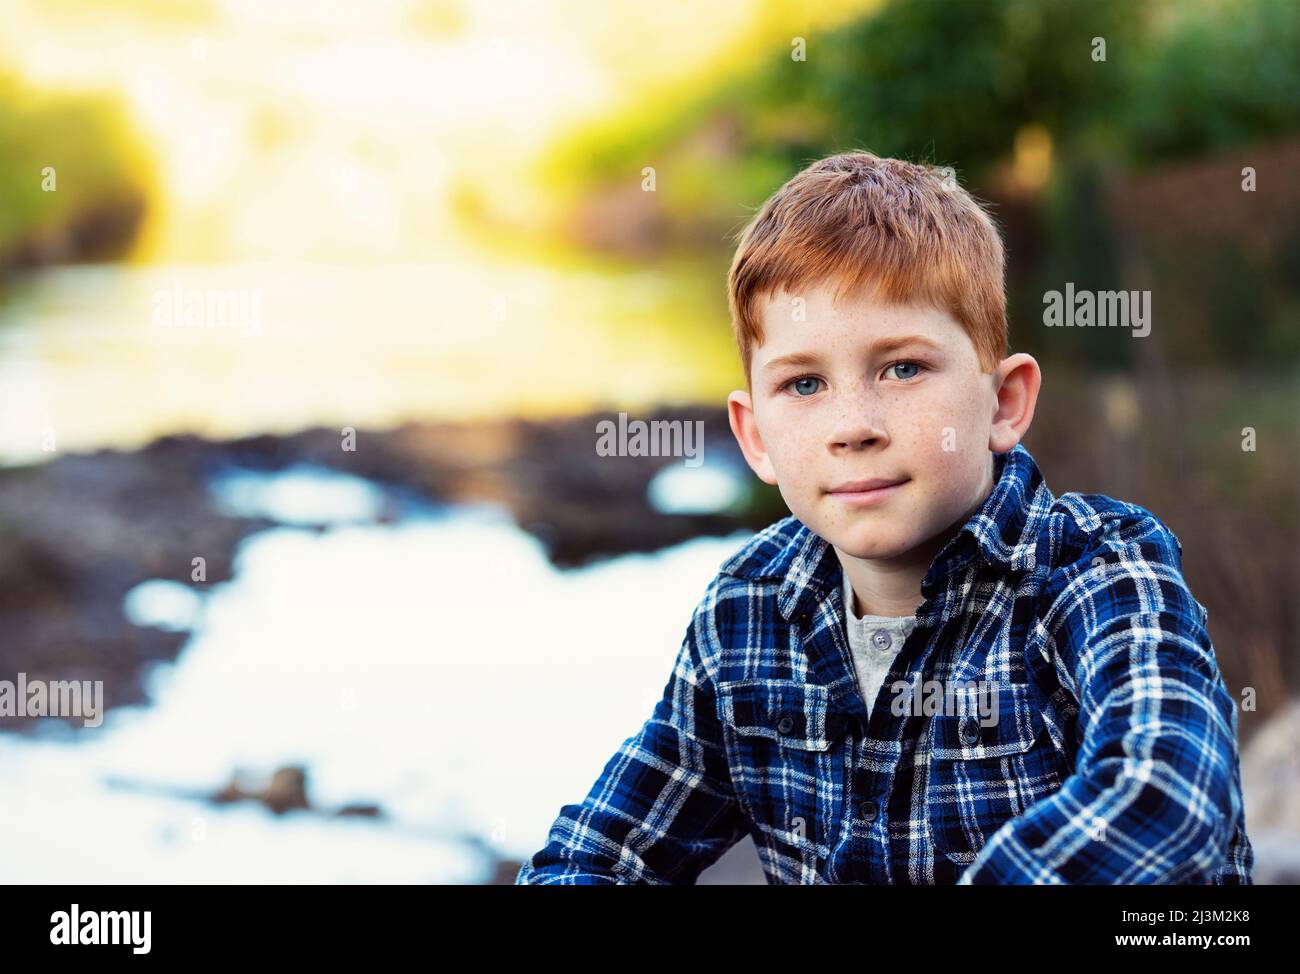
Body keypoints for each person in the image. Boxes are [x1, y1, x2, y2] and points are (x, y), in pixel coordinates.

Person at [516, 150, 1253, 884]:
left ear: (1004, 403)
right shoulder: (748, 610)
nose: (853, 425)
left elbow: (1168, 797)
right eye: (804, 384)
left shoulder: (1099, 573)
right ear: (754, 438)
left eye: (902, 368)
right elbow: (602, 853)